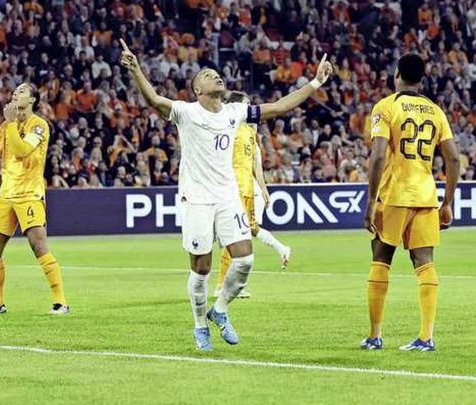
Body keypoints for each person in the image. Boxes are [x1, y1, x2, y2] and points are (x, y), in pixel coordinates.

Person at [119, 39, 333, 351]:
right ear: (197, 89)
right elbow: (153, 100)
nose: (216, 76)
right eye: (208, 76)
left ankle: (219, 311)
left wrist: (315, 82)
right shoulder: (186, 112)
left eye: (216, 74)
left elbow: (279, 107)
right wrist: (136, 69)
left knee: (245, 260)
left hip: (227, 196)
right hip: (197, 199)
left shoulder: (235, 112)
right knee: (201, 269)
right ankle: (199, 326)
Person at [362, 54, 460, 352]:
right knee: (425, 262)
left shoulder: (386, 107)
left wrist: (371, 202)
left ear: (397, 75)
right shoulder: (436, 111)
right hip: (426, 195)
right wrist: (447, 202)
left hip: (395, 193)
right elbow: (454, 158)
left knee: (381, 256)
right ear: (422, 78)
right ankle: (426, 337)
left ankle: (375, 336)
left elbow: (378, 156)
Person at [0, 83, 69, 315]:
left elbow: (22, 150)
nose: (16, 93)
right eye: (15, 91)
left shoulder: (39, 125)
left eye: (22, 91)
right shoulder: (6, 125)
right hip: (6, 194)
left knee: (38, 245)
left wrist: (11, 123)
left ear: (33, 99)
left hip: (29, 194)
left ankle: (60, 302)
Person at [215, 91, 291, 299]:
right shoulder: (228, 128)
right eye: (246, 105)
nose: (250, 109)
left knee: (247, 230)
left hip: (248, 187)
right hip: (233, 186)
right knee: (236, 234)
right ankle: (222, 285)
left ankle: (231, 284)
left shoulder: (250, 131)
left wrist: (263, 189)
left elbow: (255, 163)